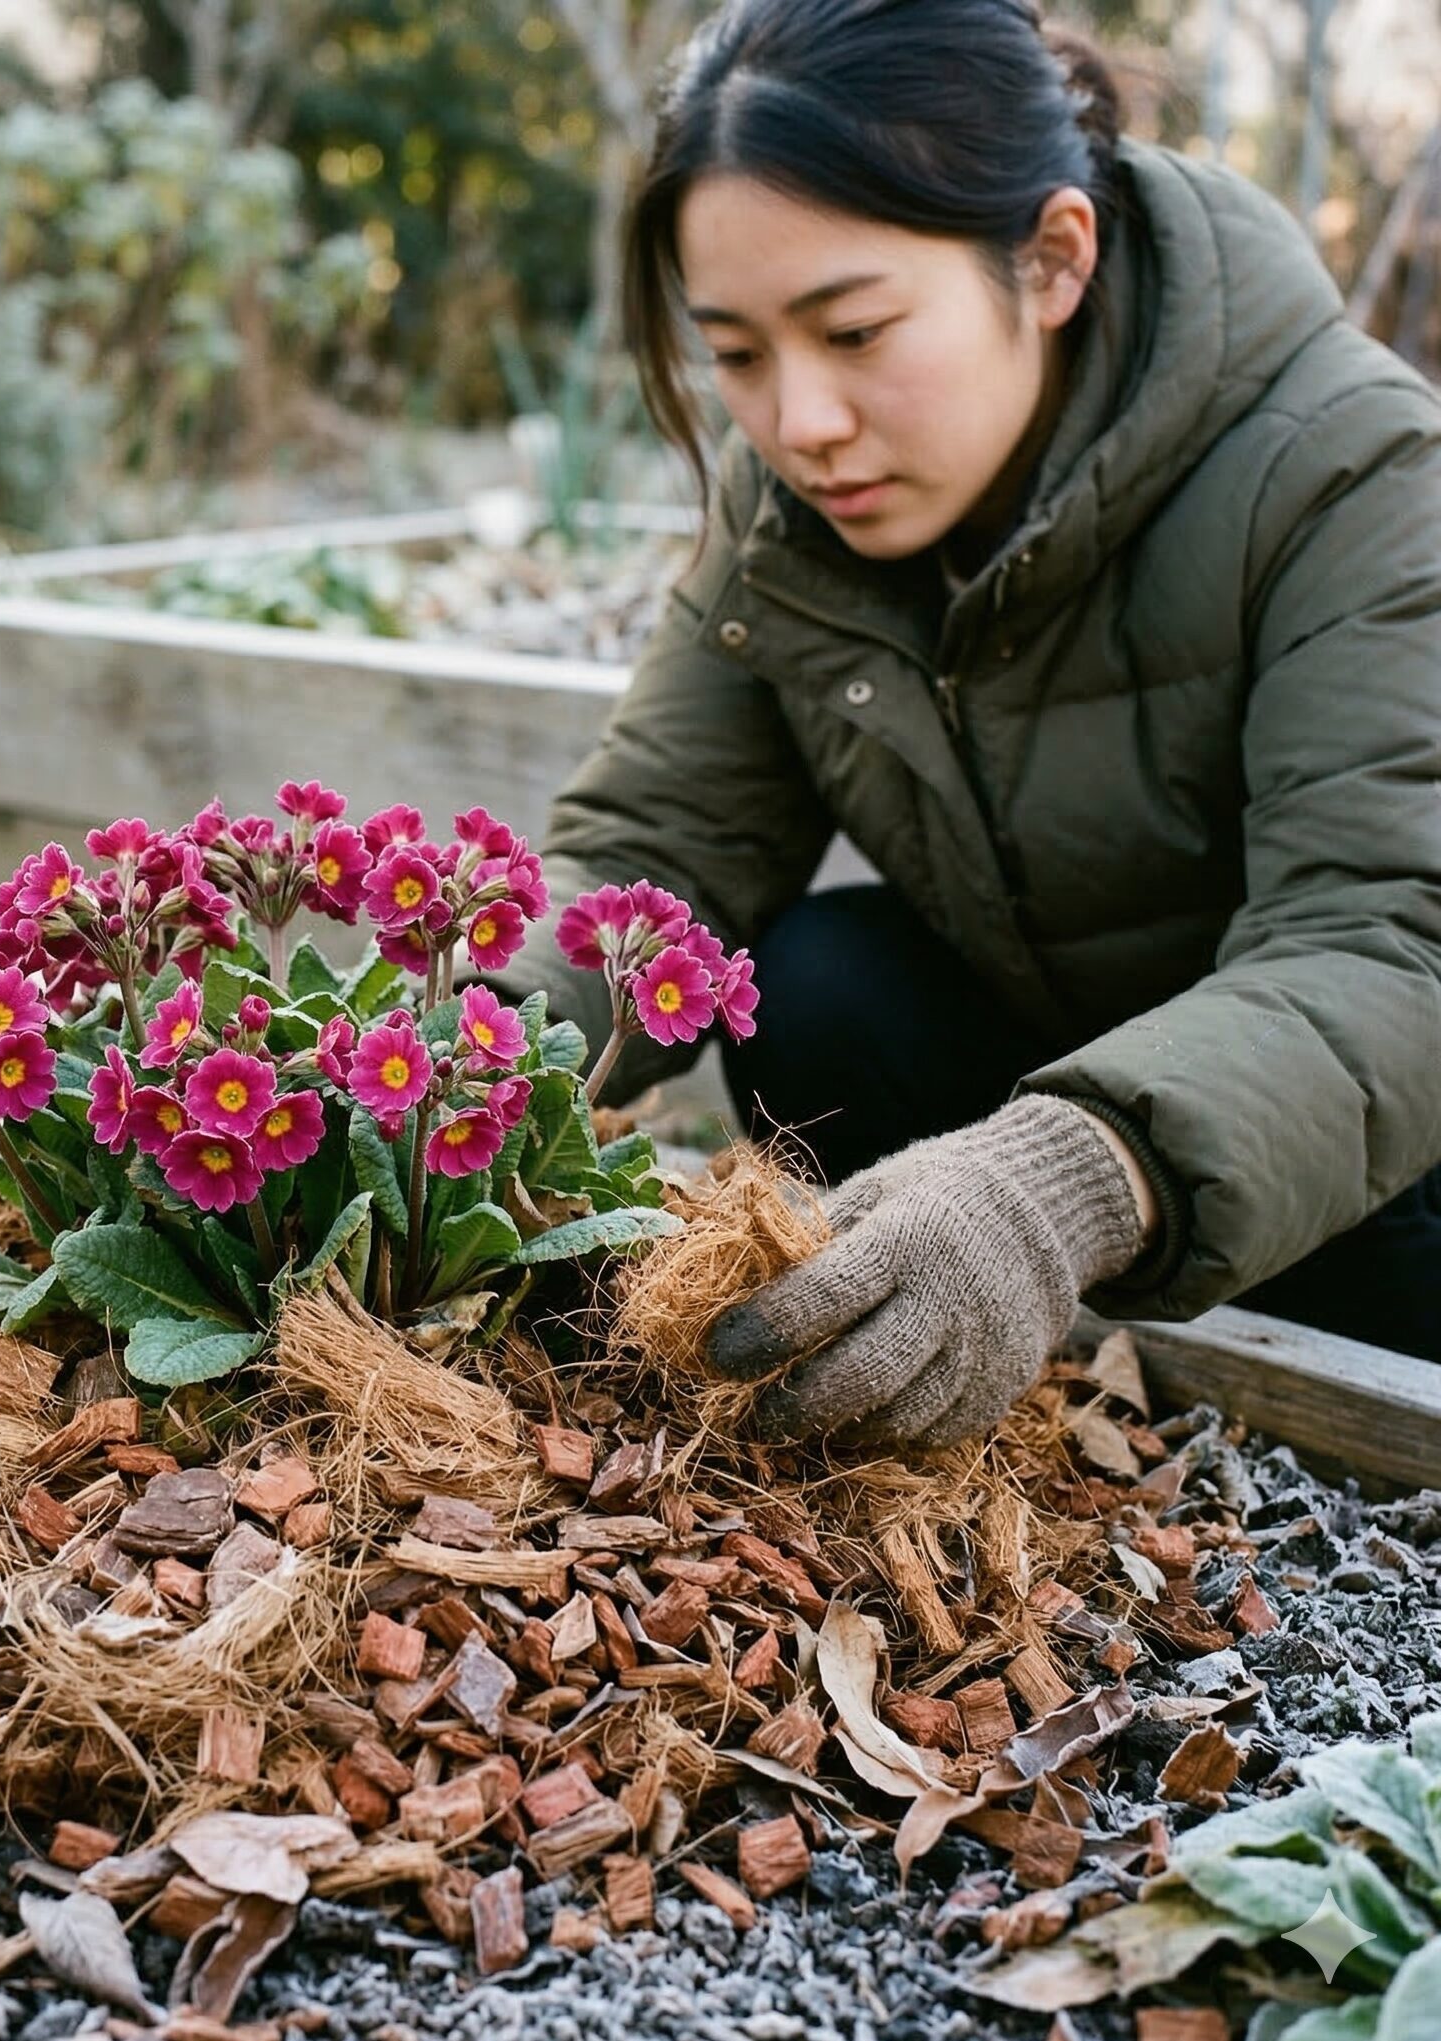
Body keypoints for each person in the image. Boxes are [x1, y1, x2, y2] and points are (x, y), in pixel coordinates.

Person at [503, 0, 1441, 1445]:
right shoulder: (804, 496)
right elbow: (660, 841)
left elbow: (1392, 936)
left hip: (1368, 1133)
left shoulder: (1351, 471)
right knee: (816, 990)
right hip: (1082, 1048)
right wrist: (465, 1064)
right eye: (737, 354)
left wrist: (1062, 1180)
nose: (800, 421)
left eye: (857, 329)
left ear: (1052, 259)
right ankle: (953, 1309)